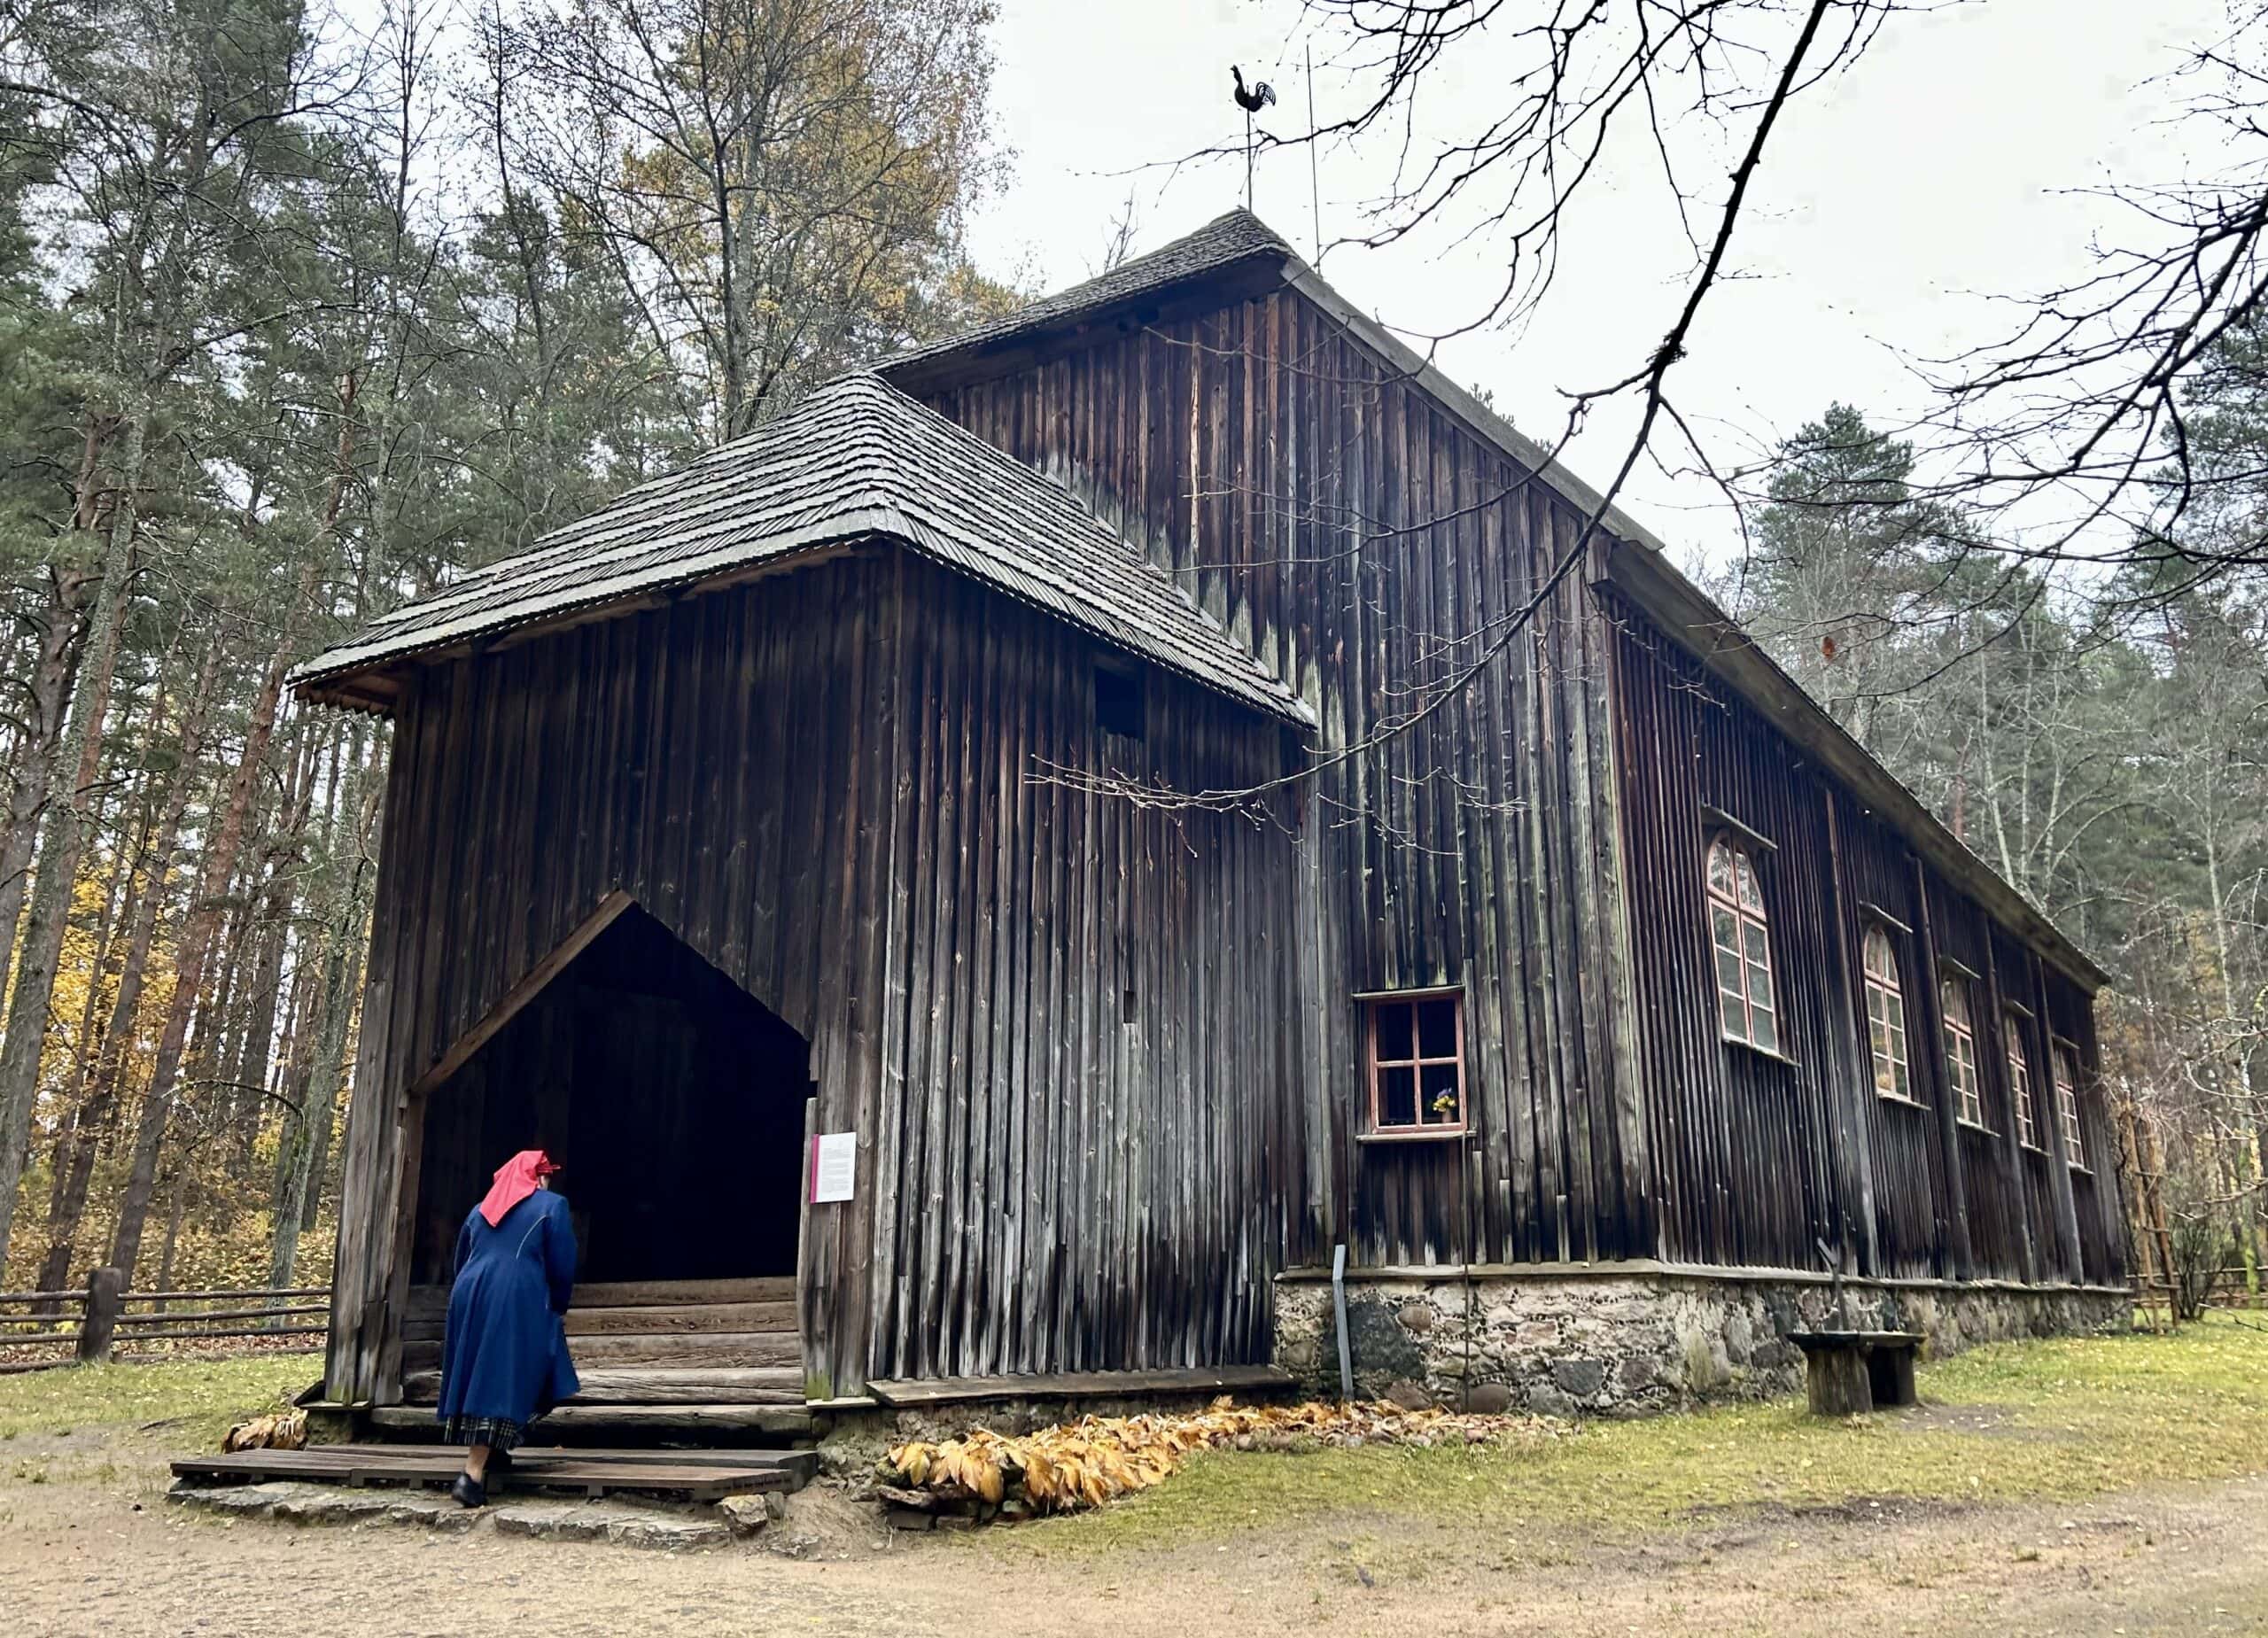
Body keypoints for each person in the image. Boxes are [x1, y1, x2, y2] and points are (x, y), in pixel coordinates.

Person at [437, 1148, 579, 1507]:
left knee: (495, 1370)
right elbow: (562, 1263)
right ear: (536, 1176)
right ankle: (471, 1475)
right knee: (502, 1373)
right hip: (516, 1294)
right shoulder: (552, 1205)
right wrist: (558, 1303)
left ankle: (496, 1445)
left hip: (471, 1291)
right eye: (545, 1174)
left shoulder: (478, 1210)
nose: (548, 1180)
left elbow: (462, 1257)